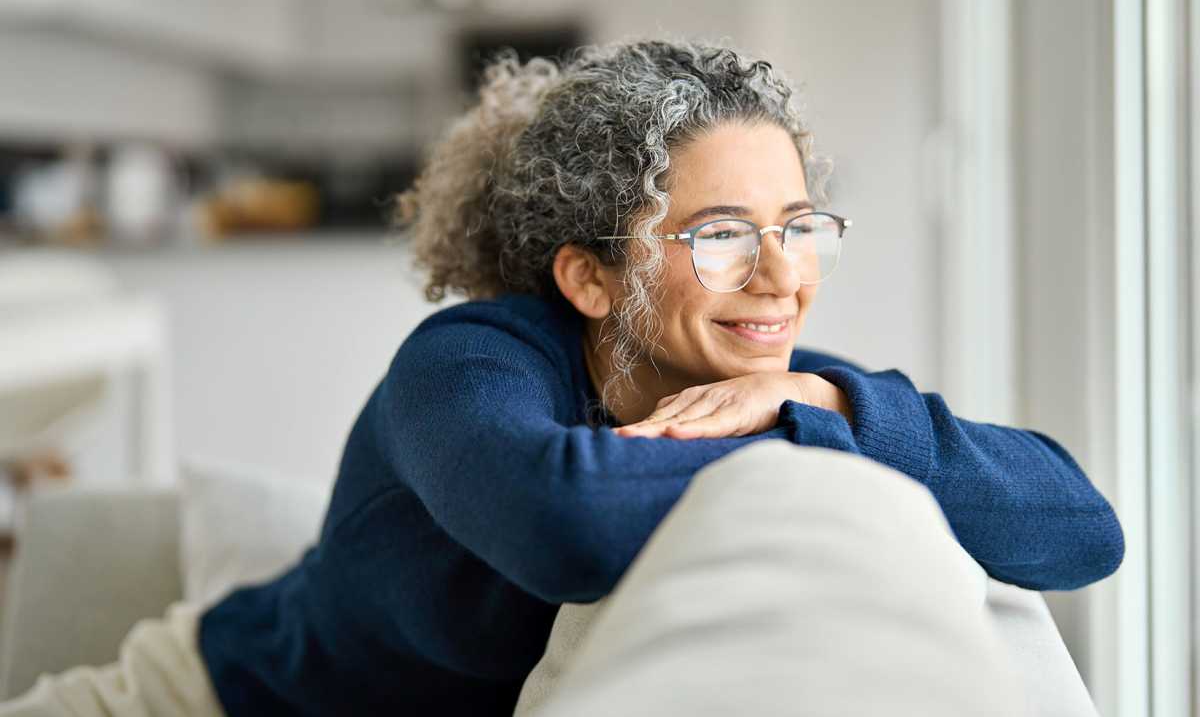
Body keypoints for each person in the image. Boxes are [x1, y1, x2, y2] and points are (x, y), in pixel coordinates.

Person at [0, 38, 1123, 717]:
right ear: (588, 276)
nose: (784, 274)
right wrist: (816, 447)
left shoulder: (785, 384)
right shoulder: (469, 365)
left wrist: (825, 408)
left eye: (799, 224)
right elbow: (562, 524)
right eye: (723, 232)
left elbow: (1081, 528)